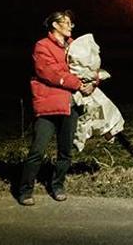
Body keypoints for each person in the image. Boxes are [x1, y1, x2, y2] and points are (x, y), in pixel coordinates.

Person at [18, 10, 95, 206]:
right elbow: (49, 72)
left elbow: (88, 68)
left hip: (70, 105)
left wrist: (92, 83)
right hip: (49, 106)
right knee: (38, 150)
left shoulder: (75, 46)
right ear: (55, 25)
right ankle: (25, 190)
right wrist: (77, 83)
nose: (71, 26)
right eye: (66, 23)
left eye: (71, 23)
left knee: (65, 151)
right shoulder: (42, 46)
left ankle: (58, 185)